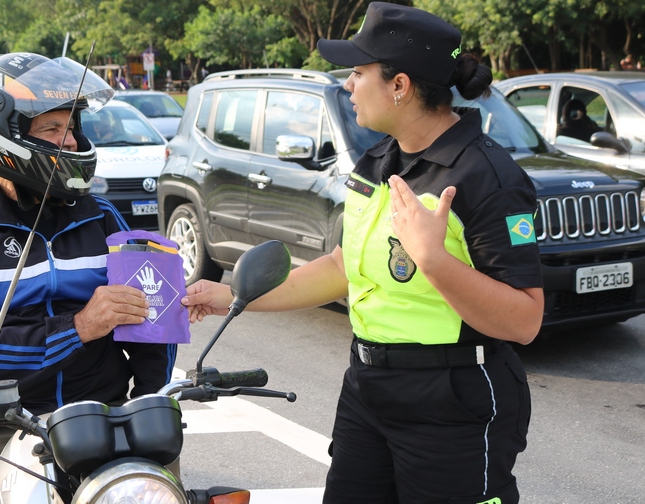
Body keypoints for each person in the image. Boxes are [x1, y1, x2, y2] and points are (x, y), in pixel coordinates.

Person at [181, 3, 543, 503]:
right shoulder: (377, 161)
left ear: (400, 86)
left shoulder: (486, 178)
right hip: (368, 389)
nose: (347, 84)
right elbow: (341, 267)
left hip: (453, 403)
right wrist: (232, 296)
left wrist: (434, 261)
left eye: (357, 71)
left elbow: (525, 319)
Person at [0, 52, 176, 503]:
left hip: (102, 415)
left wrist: (152, 396)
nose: (73, 142)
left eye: (72, 128)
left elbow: (148, 322)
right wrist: (79, 328)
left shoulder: (104, 219)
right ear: (3, 136)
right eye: (53, 129)